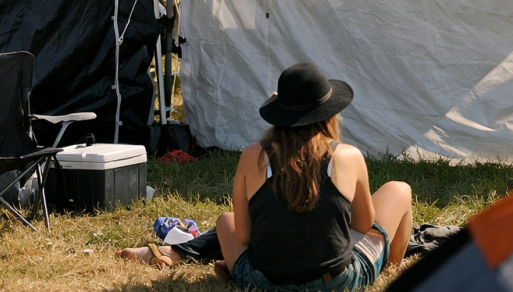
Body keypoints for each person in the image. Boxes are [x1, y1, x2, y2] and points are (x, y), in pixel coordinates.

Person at [119, 63, 412, 291]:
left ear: (278, 114)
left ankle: (221, 265)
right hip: (335, 282)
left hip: (262, 281)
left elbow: (244, 236)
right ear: (329, 114)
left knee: (225, 220)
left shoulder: (252, 157)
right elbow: (362, 224)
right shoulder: (347, 156)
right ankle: (391, 267)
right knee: (400, 190)